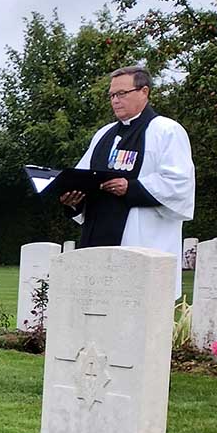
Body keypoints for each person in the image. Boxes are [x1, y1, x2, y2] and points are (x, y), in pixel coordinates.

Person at [59, 66, 195, 299]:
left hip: (142, 236)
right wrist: (72, 199)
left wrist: (130, 187)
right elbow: (81, 176)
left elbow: (179, 183)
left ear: (144, 91)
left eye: (122, 93)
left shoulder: (167, 131)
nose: (115, 100)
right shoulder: (103, 135)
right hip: (97, 234)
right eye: (112, 95)